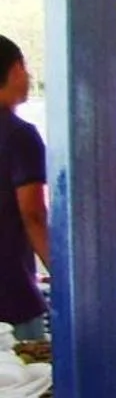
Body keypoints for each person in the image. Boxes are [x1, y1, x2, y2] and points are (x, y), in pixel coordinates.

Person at [0, 38, 48, 343]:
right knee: (32, 381)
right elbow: (32, 213)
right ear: (16, 69)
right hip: (11, 290)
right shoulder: (19, 136)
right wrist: (62, 269)